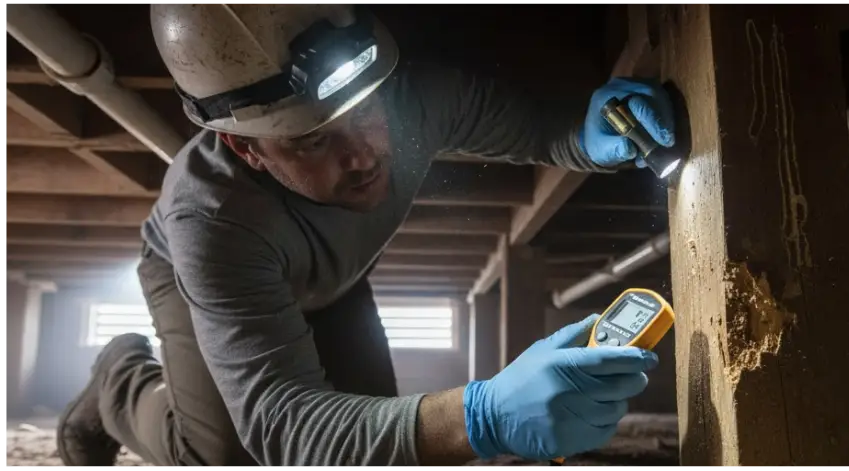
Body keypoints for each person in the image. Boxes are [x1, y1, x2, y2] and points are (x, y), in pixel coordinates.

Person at [56, 0, 677, 468]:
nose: (364, 157)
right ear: (246, 149)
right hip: (207, 278)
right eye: (313, 140)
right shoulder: (211, 221)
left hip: (332, 277)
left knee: (384, 450)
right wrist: (479, 416)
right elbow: (283, 423)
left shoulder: (411, 101)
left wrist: (595, 138)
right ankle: (118, 379)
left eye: (365, 113)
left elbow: (545, 131)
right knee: (220, 457)